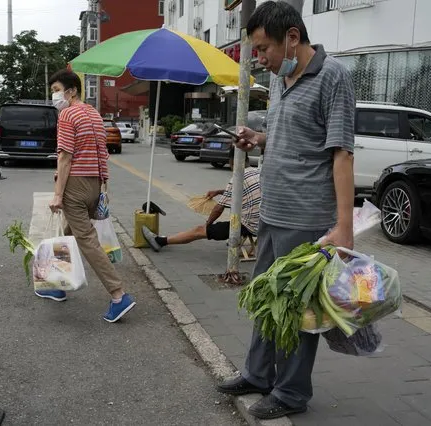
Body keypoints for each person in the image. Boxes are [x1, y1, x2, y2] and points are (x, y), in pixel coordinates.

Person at [216, 1, 356, 420]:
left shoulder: (333, 77)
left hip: (307, 217)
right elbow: (287, 135)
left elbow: (342, 155)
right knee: (265, 299)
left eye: (263, 49)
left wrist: (344, 229)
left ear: (292, 38)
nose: (259, 59)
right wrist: (256, 138)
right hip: (273, 212)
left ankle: (292, 392)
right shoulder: (281, 79)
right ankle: (258, 374)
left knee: (296, 311)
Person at [45, 69, 136, 323]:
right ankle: (58, 284)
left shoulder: (68, 114)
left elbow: (65, 156)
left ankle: (119, 294)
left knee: (87, 240)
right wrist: (103, 187)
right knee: (69, 233)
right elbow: (102, 153)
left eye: (56, 90)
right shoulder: (95, 115)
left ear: (71, 90)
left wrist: (57, 194)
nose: (54, 96)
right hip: (95, 184)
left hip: (75, 184)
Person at [142, 147, 260, 251]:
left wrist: (208, 224)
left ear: (231, 161)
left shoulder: (237, 178)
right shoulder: (258, 172)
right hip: (263, 223)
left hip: (248, 226)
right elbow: (242, 192)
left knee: (199, 230)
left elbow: (218, 209)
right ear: (247, 159)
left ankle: (159, 242)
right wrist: (219, 192)